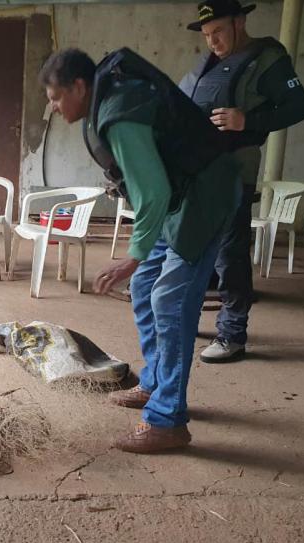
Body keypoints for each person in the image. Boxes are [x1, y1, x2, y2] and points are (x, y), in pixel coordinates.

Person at [40, 48, 241, 453]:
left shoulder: (119, 114)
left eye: (56, 98)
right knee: (148, 282)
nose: (55, 109)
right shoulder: (108, 99)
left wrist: (131, 257)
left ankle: (168, 421)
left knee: (170, 299)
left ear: (80, 86)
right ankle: (155, 383)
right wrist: (140, 259)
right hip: (180, 197)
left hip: (204, 197)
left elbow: (153, 192)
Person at [179, 0, 304, 363]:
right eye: (206, 35)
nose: (212, 41)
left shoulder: (267, 58)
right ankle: (190, 320)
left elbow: (300, 106)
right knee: (192, 248)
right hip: (199, 172)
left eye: (218, 31)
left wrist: (248, 120)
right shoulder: (208, 64)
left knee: (230, 251)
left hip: (235, 169)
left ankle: (232, 334)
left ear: (239, 22)